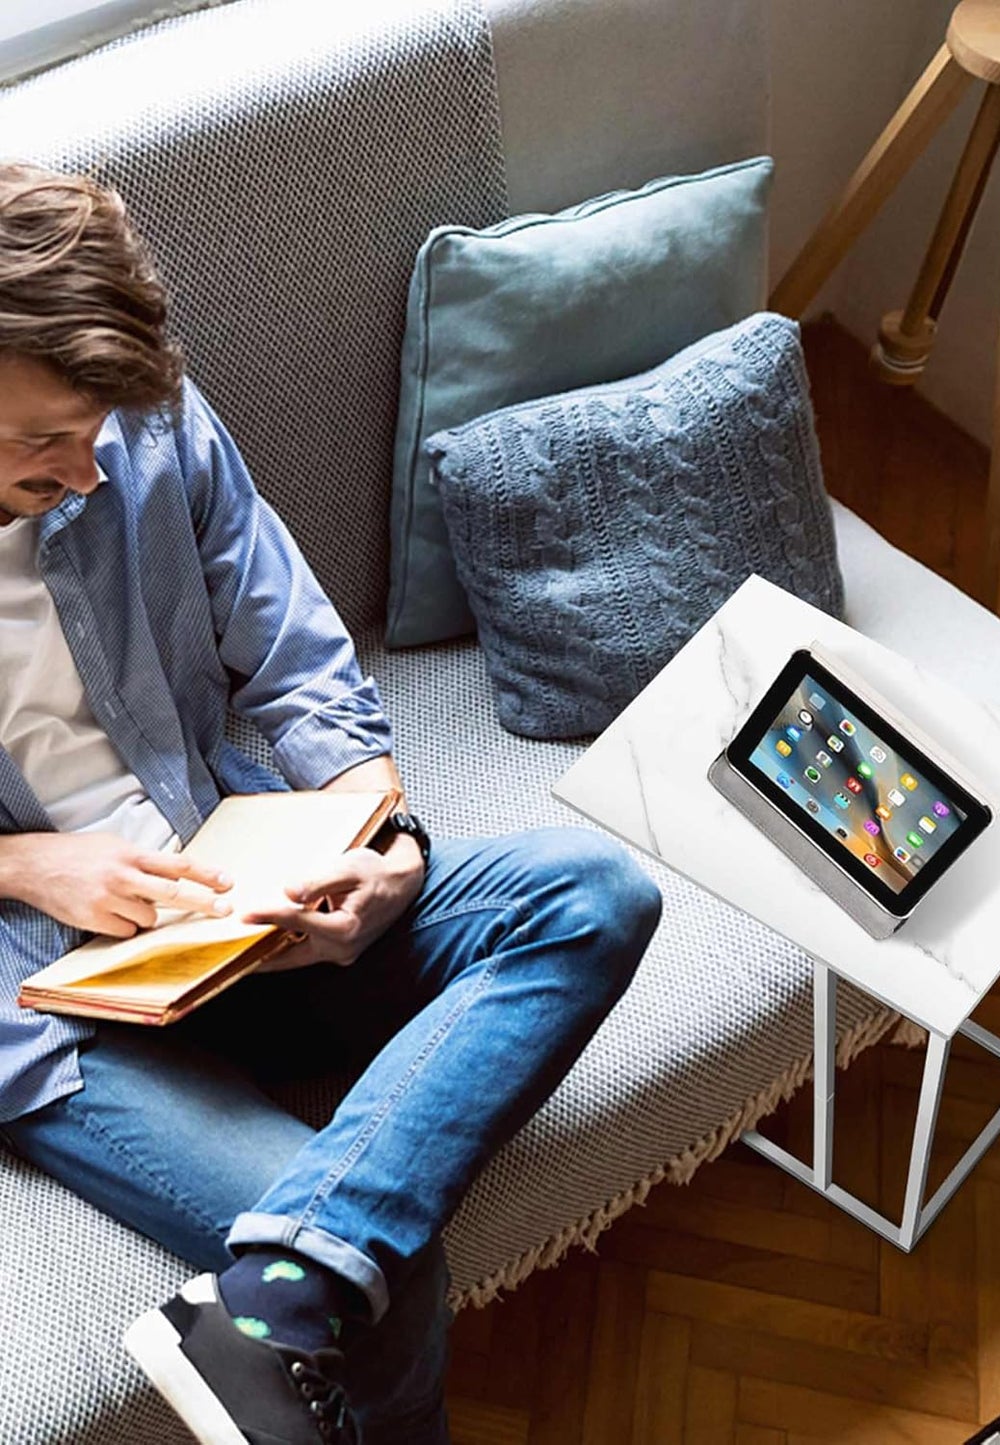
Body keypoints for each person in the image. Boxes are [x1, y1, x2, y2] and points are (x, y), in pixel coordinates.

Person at [0, 160, 662, 1445]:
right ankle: (323, 1284)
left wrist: (382, 838)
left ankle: (289, 1275)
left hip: (236, 899)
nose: (84, 473)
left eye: (97, 434)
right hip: (49, 1005)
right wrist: (27, 865)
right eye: (39, 440)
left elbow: (299, 657)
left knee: (591, 891)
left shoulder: (144, 424)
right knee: (381, 1271)